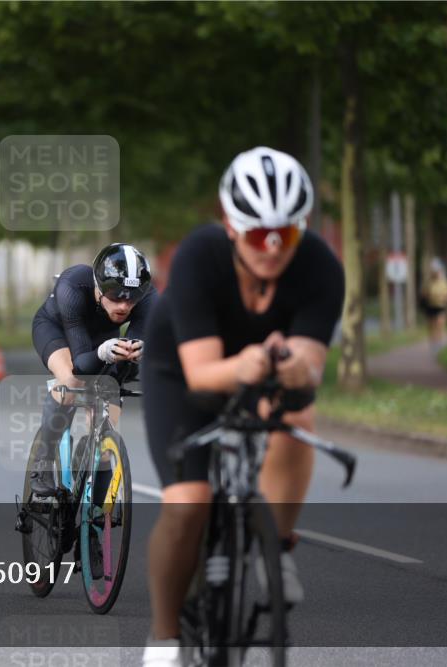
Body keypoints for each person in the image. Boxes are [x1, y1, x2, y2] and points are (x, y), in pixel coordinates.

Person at [140, 147, 345, 666]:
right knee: (189, 503)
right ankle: (164, 641)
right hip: (183, 372)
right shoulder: (198, 257)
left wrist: (291, 365)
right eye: (258, 235)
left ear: (301, 228)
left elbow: (311, 367)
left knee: (297, 415)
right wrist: (246, 365)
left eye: (286, 236)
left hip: (261, 367)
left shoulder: (320, 266)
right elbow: (204, 374)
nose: (272, 249)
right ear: (231, 226)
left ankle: (275, 547)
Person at [29, 243, 158, 497]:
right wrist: (102, 353)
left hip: (103, 336)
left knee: (109, 404)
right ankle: (42, 464)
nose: (124, 306)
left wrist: (138, 351)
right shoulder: (73, 286)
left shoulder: (149, 298)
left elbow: (130, 362)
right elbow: (80, 367)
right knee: (72, 382)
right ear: (98, 287)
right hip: (57, 330)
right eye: (115, 296)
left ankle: (96, 510)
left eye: (132, 298)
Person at [421, 257, 447, 356]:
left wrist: (441, 297)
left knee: (440, 324)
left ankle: (440, 345)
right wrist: (430, 295)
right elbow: (424, 293)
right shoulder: (428, 282)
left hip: (441, 306)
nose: (435, 273)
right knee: (432, 326)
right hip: (430, 306)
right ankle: (433, 344)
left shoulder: (444, 282)